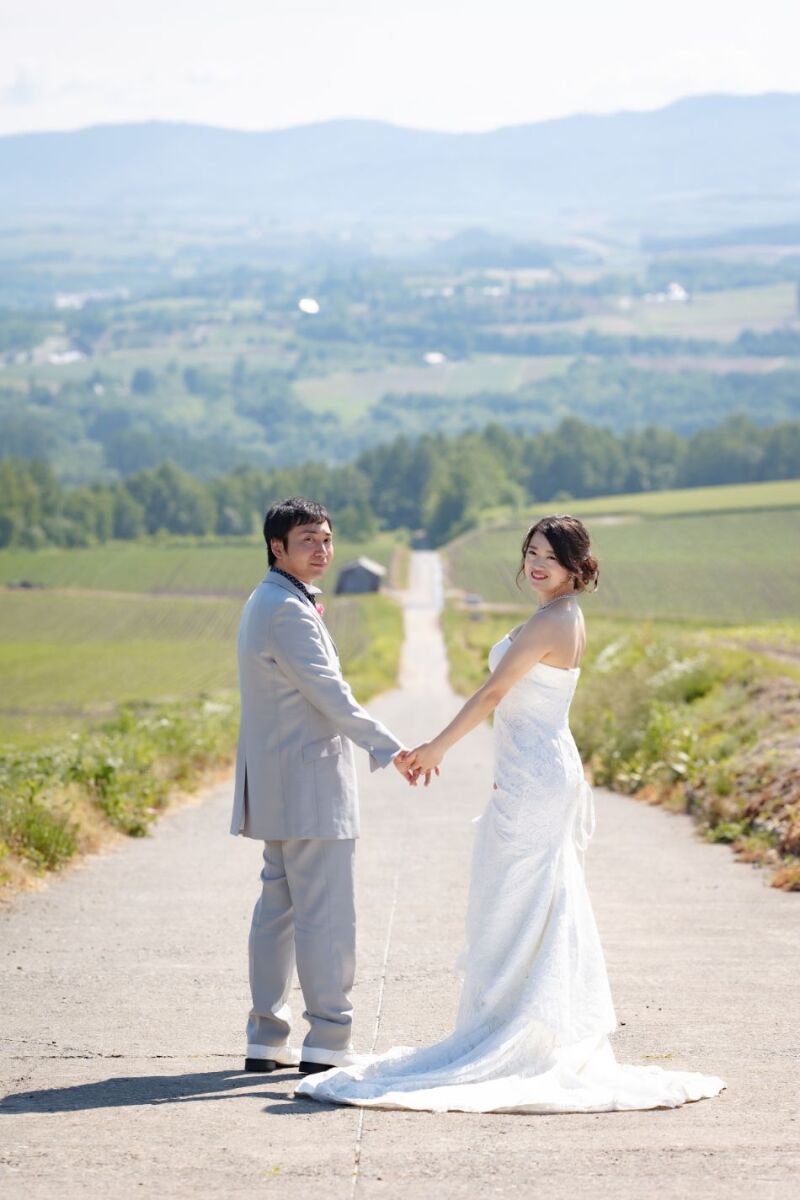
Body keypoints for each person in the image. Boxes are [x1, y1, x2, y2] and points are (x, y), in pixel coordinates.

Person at [297, 515, 725, 1113]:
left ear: (577, 564)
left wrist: (436, 747)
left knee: (518, 899)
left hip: (539, 776)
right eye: (530, 552)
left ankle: (522, 1033)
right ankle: (525, 1022)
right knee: (525, 899)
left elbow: (495, 693)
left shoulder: (555, 618)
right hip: (534, 769)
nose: (535, 563)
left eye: (549, 555)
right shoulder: (560, 615)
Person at [231, 497, 415, 1077]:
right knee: (326, 915)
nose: (322, 549)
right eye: (308, 539)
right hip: (308, 784)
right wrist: (391, 748)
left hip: (280, 781)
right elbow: (329, 692)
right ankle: (329, 1041)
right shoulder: (286, 610)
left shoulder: (271, 600)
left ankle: (266, 1036)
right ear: (276, 547)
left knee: (279, 911)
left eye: (328, 539)